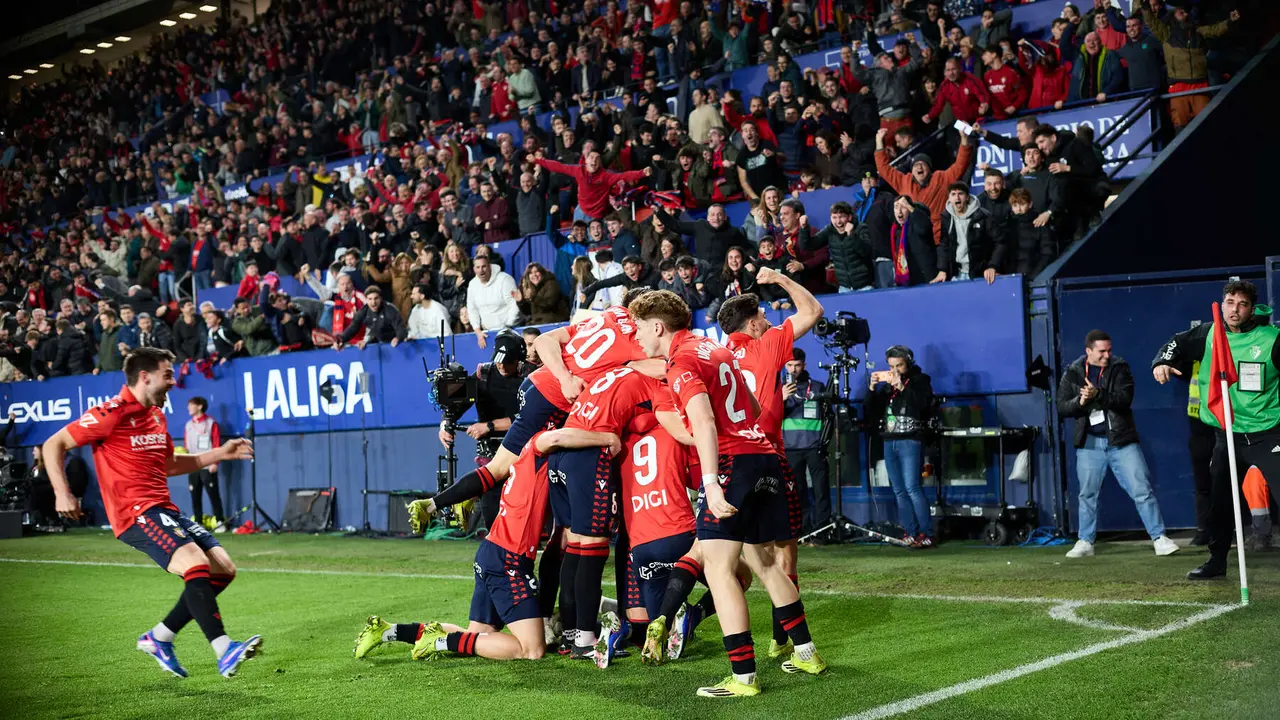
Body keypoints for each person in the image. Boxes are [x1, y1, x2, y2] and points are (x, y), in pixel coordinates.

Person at [630, 289, 826, 698]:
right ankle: (806, 652)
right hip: (764, 455)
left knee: (719, 570)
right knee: (767, 562)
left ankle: (743, 678)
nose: (636, 337)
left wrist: (711, 482)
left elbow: (702, 422)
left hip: (734, 465)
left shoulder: (681, 360)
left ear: (657, 326)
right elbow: (753, 407)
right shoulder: (713, 348)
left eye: (638, 328)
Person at [41, 348, 260, 678]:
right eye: (168, 374)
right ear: (145, 377)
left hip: (163, 509)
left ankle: (160, 638)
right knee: (196, 564)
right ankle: (223, 648)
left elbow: (169, 464)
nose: (174, 382)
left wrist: (218, 454)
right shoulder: (110, 413)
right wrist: (62, 492)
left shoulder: (157, 415)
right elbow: (52, 444)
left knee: (223, 569)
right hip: (134, 513)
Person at [353, 427, 621, 663]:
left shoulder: (526, 465)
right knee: (531, 649)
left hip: (492, 554)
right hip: (508, 560)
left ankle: (389, 630)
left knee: (478, 636)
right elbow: (560, 436)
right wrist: (608, 437)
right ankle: (438, 641)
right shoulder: (538, 447)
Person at [1152, 280, 1280, 579]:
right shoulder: (1210, 334)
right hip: (1228, 435)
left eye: (1242, 304)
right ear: (1222, 303)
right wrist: (1162, 362)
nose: (1234, 310)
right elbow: (1175, 344)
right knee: (1220, 502)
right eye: (1229, 302)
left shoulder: (1272, 339)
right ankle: (1216, 561)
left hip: (1268, 433)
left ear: (1251, 308)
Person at [1058, 330, 1179, 559]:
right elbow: (1062, 407)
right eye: (1101, 351)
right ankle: (1085, 541)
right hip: (1089, 443)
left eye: (1109, 350)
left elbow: (1124, 400)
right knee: (1087, 495)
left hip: (1121, 441)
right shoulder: (1073, 373)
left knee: (1142, 490)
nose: (1106, 355)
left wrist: (1097, 395)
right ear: (1088, 351)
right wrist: (1080, 401)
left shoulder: (1120, 367)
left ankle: (1159, 538)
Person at [438, 331, 533, 533]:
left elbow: (532, 416)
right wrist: (446, 423)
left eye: (507, 362)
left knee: (521, 516)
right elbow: (457, 405)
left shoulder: (532, 377)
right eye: (498, 360)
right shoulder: (484, 374)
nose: (501, 366)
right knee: (492, 518)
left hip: (523, 455)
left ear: (519, 358)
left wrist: (490, 426)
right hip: (490, 458)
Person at [867, 346, 936, 547]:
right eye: (891, 366)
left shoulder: (921, 381)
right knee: (898, 490)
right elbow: (871, 409)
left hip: (910, 439)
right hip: (890, 439)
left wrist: (903, 388)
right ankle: (910, 532)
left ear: (908, 363)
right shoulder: (888, 387)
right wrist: (872, 389)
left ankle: (926, 533)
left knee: (913, 487)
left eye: (899, 365)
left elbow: (922, 405)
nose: (895, 370)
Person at [781, 349, 829, 536]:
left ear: (804, 365)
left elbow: (827, 416)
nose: (793, 369)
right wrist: (781, 398)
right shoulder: (778, 387)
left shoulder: (816, 386)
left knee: (821, 489)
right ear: (785, 366)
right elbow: (770, 416)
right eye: (790, 365)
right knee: (797, 491)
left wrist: (824, 442)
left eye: (797, 365)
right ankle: (801, 530)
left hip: (815, 446)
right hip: (791, 448)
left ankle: (823, 530)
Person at [533, 150, 651, 222]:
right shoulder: (579, 170)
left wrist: (642, 173)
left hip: (597, 216)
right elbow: (558, 166)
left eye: (597, 159)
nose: (594, 160)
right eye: (591, 157)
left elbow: (624, 175)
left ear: (600, 163)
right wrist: (538, 161)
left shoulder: (606, 176)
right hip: (580, 211)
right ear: (586, 160)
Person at [184, 397, 226, 533]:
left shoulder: (211, 423)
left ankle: (220, 521)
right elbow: (186, 445)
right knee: (195, 496)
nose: (188, 408)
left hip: (208, 465)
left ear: (200, 406)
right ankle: (198, 522)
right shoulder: (188, 425)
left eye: (191, 405)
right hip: (192, 465)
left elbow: (216, 443)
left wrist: (215, 462)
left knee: (213, 494)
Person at [465, 255, 520, 348]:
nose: (481, 270)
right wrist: (477, 331)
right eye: (478, 267)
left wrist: (508, 327)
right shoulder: (472, 284)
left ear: (489, 266)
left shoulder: (505, 279)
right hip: (488, 334)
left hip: (510, 331)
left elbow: (514, 304)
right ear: (474, 269)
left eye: (484, 266)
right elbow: (472, 309)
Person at [339, 285, 407, 350]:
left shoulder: (390, 310)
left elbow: (401, 327)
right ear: (366, 300)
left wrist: (398, 338)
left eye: (376, 298)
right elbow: (353, 328)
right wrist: (341, 339)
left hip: (393, 343)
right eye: (370, 299)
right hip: (375, 343)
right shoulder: (363, 311)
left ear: (381, 298)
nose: (373, 302)